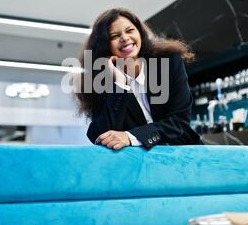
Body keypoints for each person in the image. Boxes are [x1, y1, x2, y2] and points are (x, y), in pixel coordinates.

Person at [75, 8, 201, 150]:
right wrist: (120, 86)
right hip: (137, 162)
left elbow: (179, 119)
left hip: (181, 152)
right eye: (115, 36)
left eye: (130, 30)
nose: (124, 38)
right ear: (104, 46)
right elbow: (99, 134)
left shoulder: (169, 61)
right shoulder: (98, 82)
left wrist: (131, 137)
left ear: (140, 33)